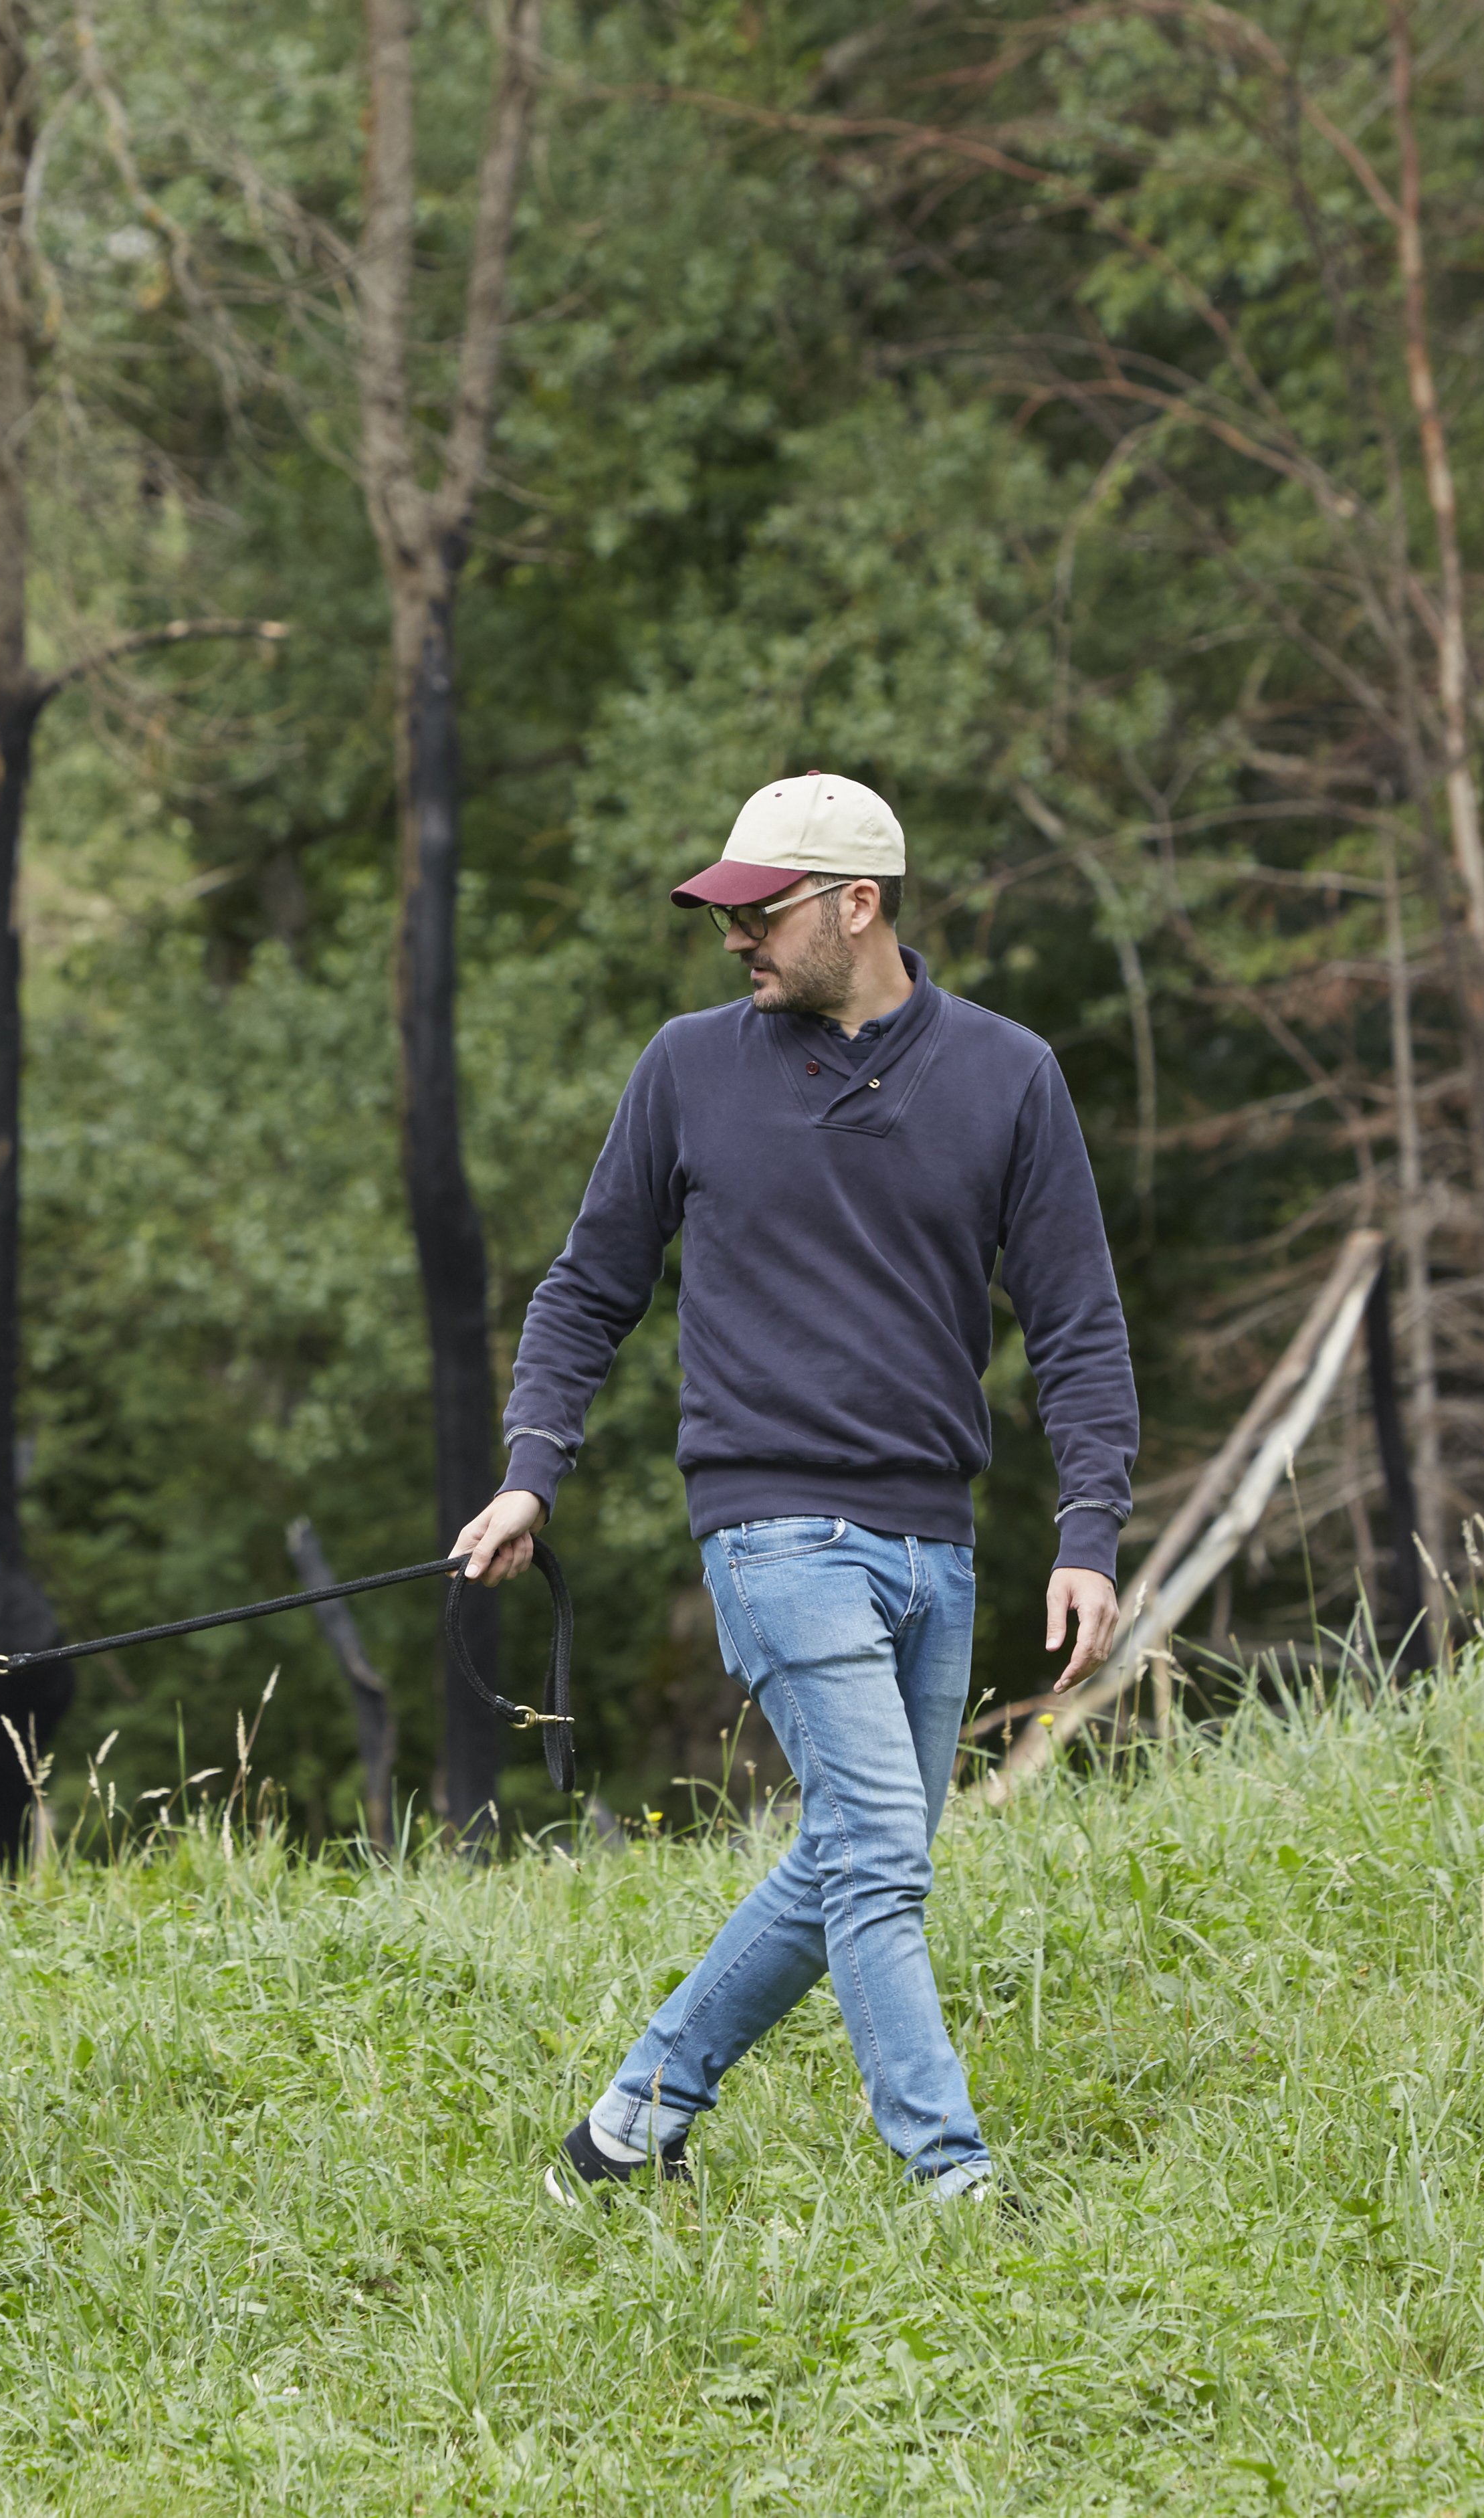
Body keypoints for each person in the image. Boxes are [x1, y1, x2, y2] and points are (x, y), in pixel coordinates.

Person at [457, 774, 1135, 2206]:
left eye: (758, 912)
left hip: (935, 1544)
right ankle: (951, 2179)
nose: (731, 940)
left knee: (857, 1853)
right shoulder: (688, 1067)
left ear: (857, 904)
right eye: (725, 913)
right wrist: (531, 1474)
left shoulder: (1008, 1075)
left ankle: (627, 2130)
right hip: (769, 1527)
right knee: (883, 1849)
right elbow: (587, 1290)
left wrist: (1087, 1534)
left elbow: (1076, 1322)